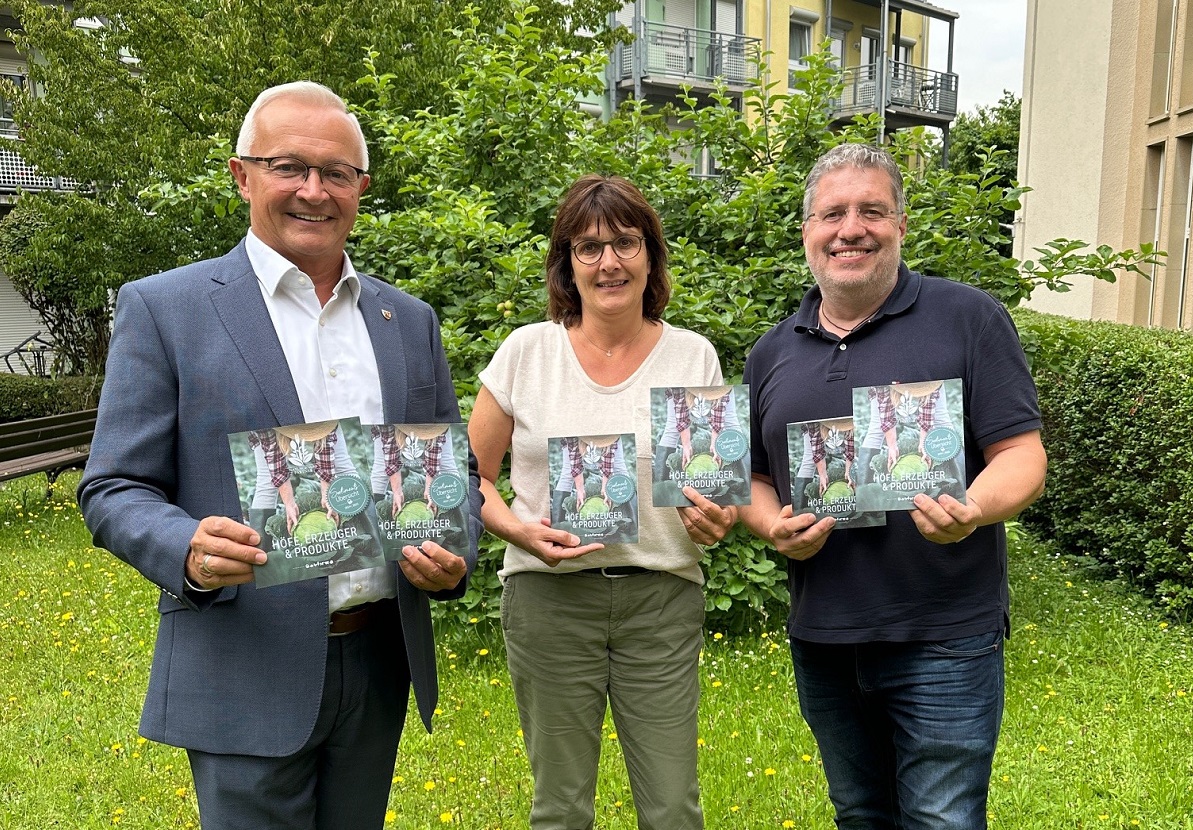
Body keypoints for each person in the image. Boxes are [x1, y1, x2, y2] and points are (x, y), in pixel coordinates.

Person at [77, 81, 481, 830]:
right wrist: (186, 547)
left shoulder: (406, 320)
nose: (312, 190)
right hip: (244, 662)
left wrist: (456, 550)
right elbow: (114, 486)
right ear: (242, 175)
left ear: (361, 188)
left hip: (376, 662)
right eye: (288, 166)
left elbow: (456, 476)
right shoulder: (167, 309)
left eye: (336, 173)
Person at [740, 143, 1046, 830]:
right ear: (807, 231)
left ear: (900, 226)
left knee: (943, 819)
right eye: (832, 213)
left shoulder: (967, 317)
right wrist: (770, 527)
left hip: (942, 634)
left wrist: (973, 508)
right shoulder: (770, 350)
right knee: (858, 814)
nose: (850, 229)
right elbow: (752, 478)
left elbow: (1022, 456)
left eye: (871, 211)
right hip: (823, 634)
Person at [468, 173, 737, 829]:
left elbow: (717, 502)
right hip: (548, 601)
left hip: (660, 599)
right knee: (559, 806)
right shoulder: (525, 353)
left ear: (650, 254)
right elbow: (467, 479)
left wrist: (714, 520)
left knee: (672, 806)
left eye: (624, 242)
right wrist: (518, 530)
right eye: (587, 247)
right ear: (567, 263)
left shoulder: (691, 355)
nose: (608, 261)